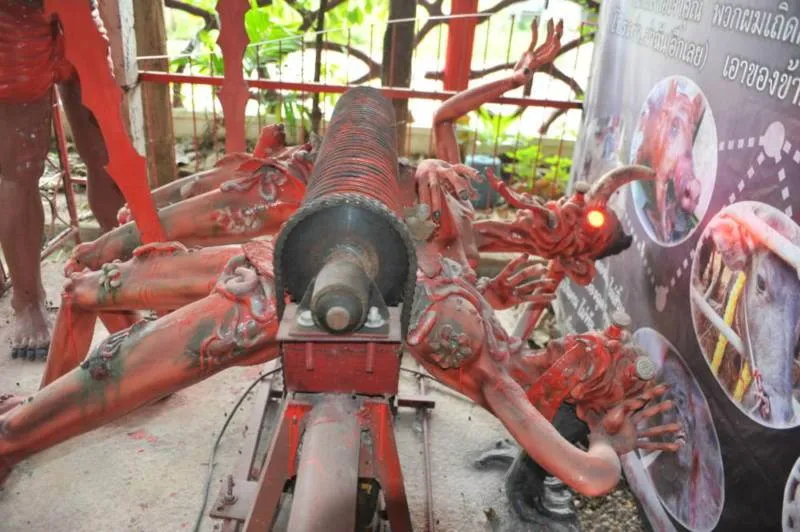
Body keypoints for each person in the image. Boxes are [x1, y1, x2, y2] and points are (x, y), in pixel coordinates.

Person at [0, 0, 125, 359]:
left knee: (106, 148)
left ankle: (125, 261)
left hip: (78, 15)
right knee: (20, 168)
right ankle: (27, 300)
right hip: (13, 22)